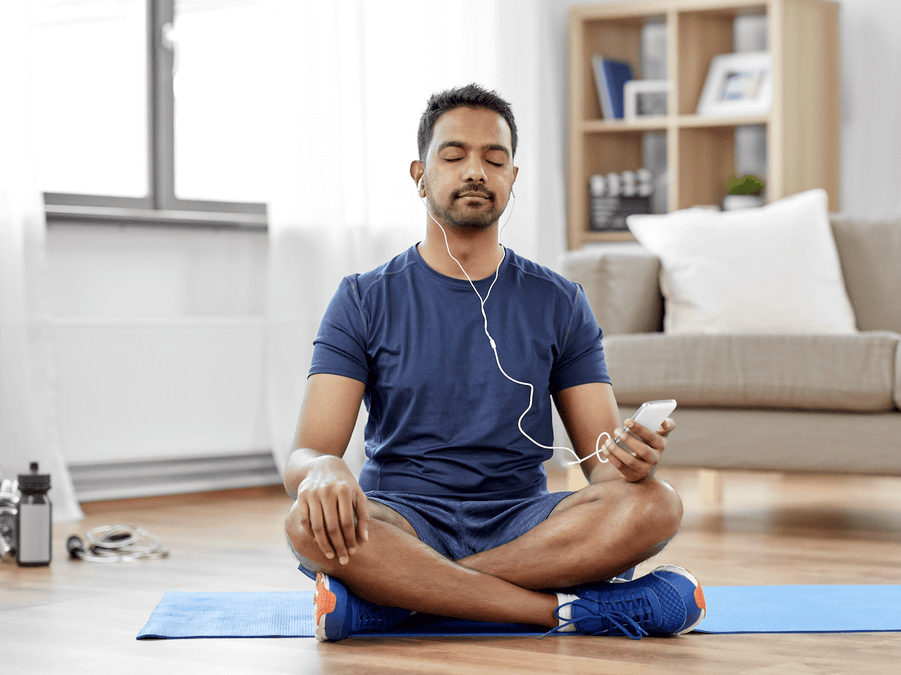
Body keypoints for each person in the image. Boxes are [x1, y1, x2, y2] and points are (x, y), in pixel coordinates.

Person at [283, 84, 705, 641]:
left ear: (512, 178)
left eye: (494, 159)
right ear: (420, 175)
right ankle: (565, 611)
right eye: (454, 156)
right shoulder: (363, 297)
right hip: (402, 520)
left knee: (656, 506)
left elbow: (601, 467)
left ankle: (397, 601)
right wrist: (321, 468)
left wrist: (630, 461)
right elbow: (307, 451)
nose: (475, 171)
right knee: (306, 524)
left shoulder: (559, 300)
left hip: (523, 525)